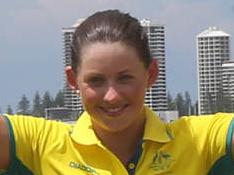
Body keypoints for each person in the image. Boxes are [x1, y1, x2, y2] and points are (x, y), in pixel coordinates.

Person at [0, 9, 234, 175]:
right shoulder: (39, 145)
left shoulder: (201, 142)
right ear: (73, 80)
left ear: (151, 74)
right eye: (95, 80)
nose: (111, 96)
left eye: (125, 78)